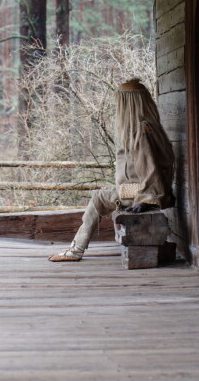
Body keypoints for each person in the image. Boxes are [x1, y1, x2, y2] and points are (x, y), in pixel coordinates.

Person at [49, 78, 175, 262]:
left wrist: (148, 199)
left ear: (127, 103)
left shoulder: (140, 131)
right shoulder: (147, 127)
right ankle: (75, 248)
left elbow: (151, 169)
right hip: (143, 190)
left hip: (142, 192)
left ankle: (76, 250)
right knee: (104, 193)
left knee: (98, 196)